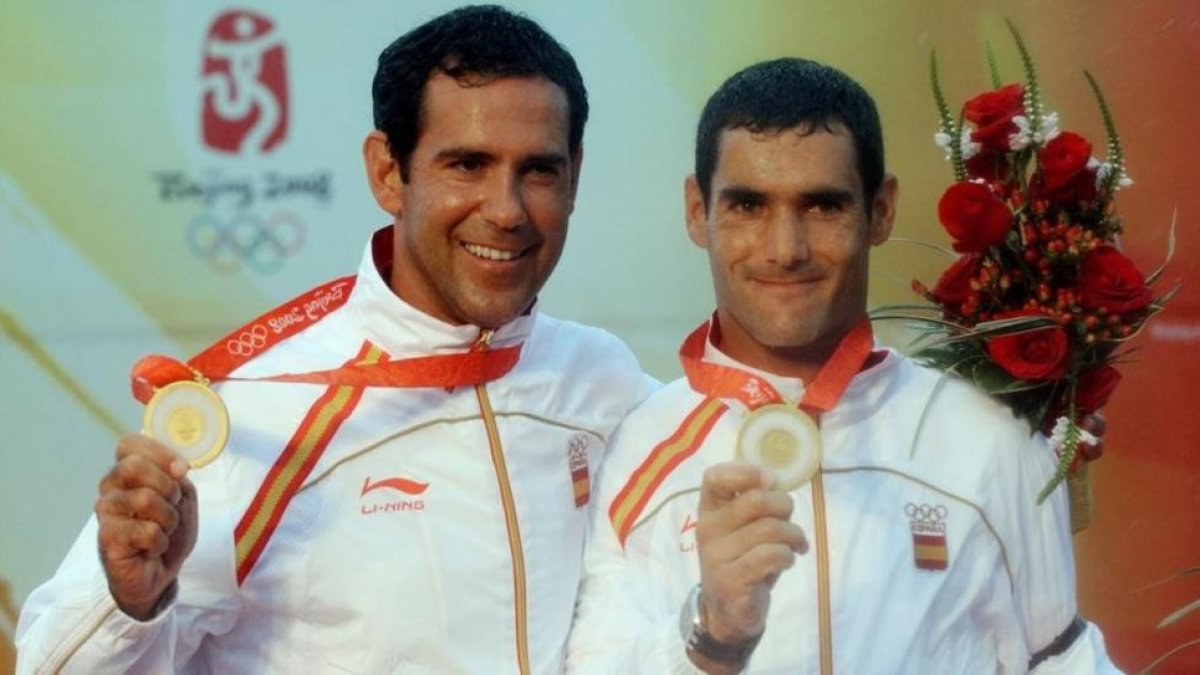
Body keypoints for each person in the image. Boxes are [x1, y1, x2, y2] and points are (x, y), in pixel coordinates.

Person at [16, 6, 650, 673]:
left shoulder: (603, 380)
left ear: (574, 173)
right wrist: (127, 603)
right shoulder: (251, 417)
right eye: (467, 164)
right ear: (387, 172)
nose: (506, 209)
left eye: (539, 170)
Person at [566, 58, 1119, 674]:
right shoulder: (634, 453)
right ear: (698, 210)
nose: (785, 250)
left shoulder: (985, 440)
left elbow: (1066, 665)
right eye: (748, 206)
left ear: (880, 210)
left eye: (822, 206)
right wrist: (714, 633)